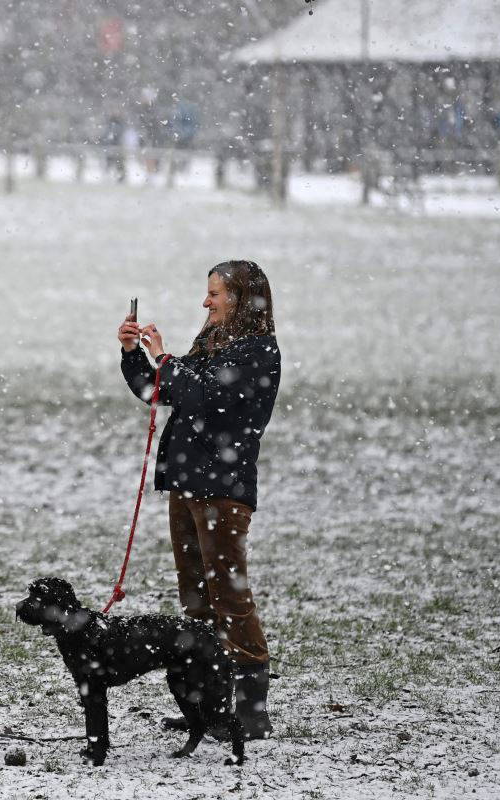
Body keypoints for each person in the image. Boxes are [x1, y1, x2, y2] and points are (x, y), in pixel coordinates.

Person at [116, 260, 281, 740]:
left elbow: (210, 398)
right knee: (196, 598)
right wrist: (133, 354)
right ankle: (209, 707)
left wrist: (166, 358)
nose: (205, 302)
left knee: (229, 598)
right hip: (186, 486)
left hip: (222, 491)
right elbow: (160, 391)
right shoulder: (213, 344)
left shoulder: (256, 351)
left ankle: (251, 712)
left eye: (214, 293)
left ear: (242, 298)